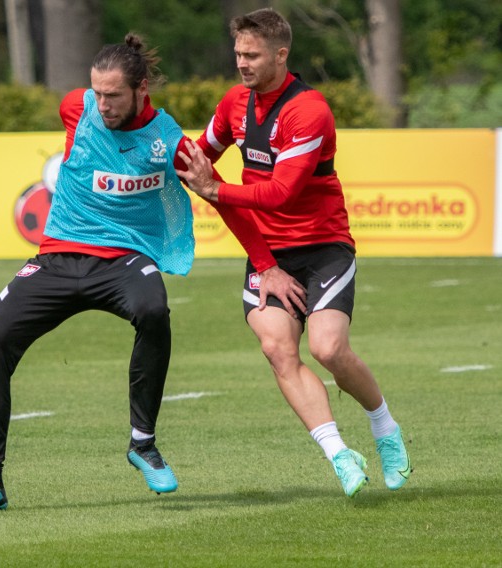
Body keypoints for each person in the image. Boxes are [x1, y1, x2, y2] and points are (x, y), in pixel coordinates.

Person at [0, 33, 287, 511]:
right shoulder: (74, 109)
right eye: (96, 93)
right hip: (58, 256)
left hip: (125, 258)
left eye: (113, 95)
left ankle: (142, 443)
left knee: (153, 309)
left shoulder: (169, 143)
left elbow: (217, 195)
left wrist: (266, 265)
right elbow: (83, 108)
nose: (101, 105)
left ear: (141, 88)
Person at [175, 8, 412, 497]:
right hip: (269, 254)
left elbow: (282, 192)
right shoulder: (234, 104)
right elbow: (199, 157)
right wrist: (151, 152)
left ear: (281, 55)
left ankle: (385, 428)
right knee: (277, 348)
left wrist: (215, 191)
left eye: (252, 55)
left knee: (328, 349)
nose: (241, 63)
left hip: (324, 246)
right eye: (238, 53)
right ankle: (340, 455)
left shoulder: (309, 111)